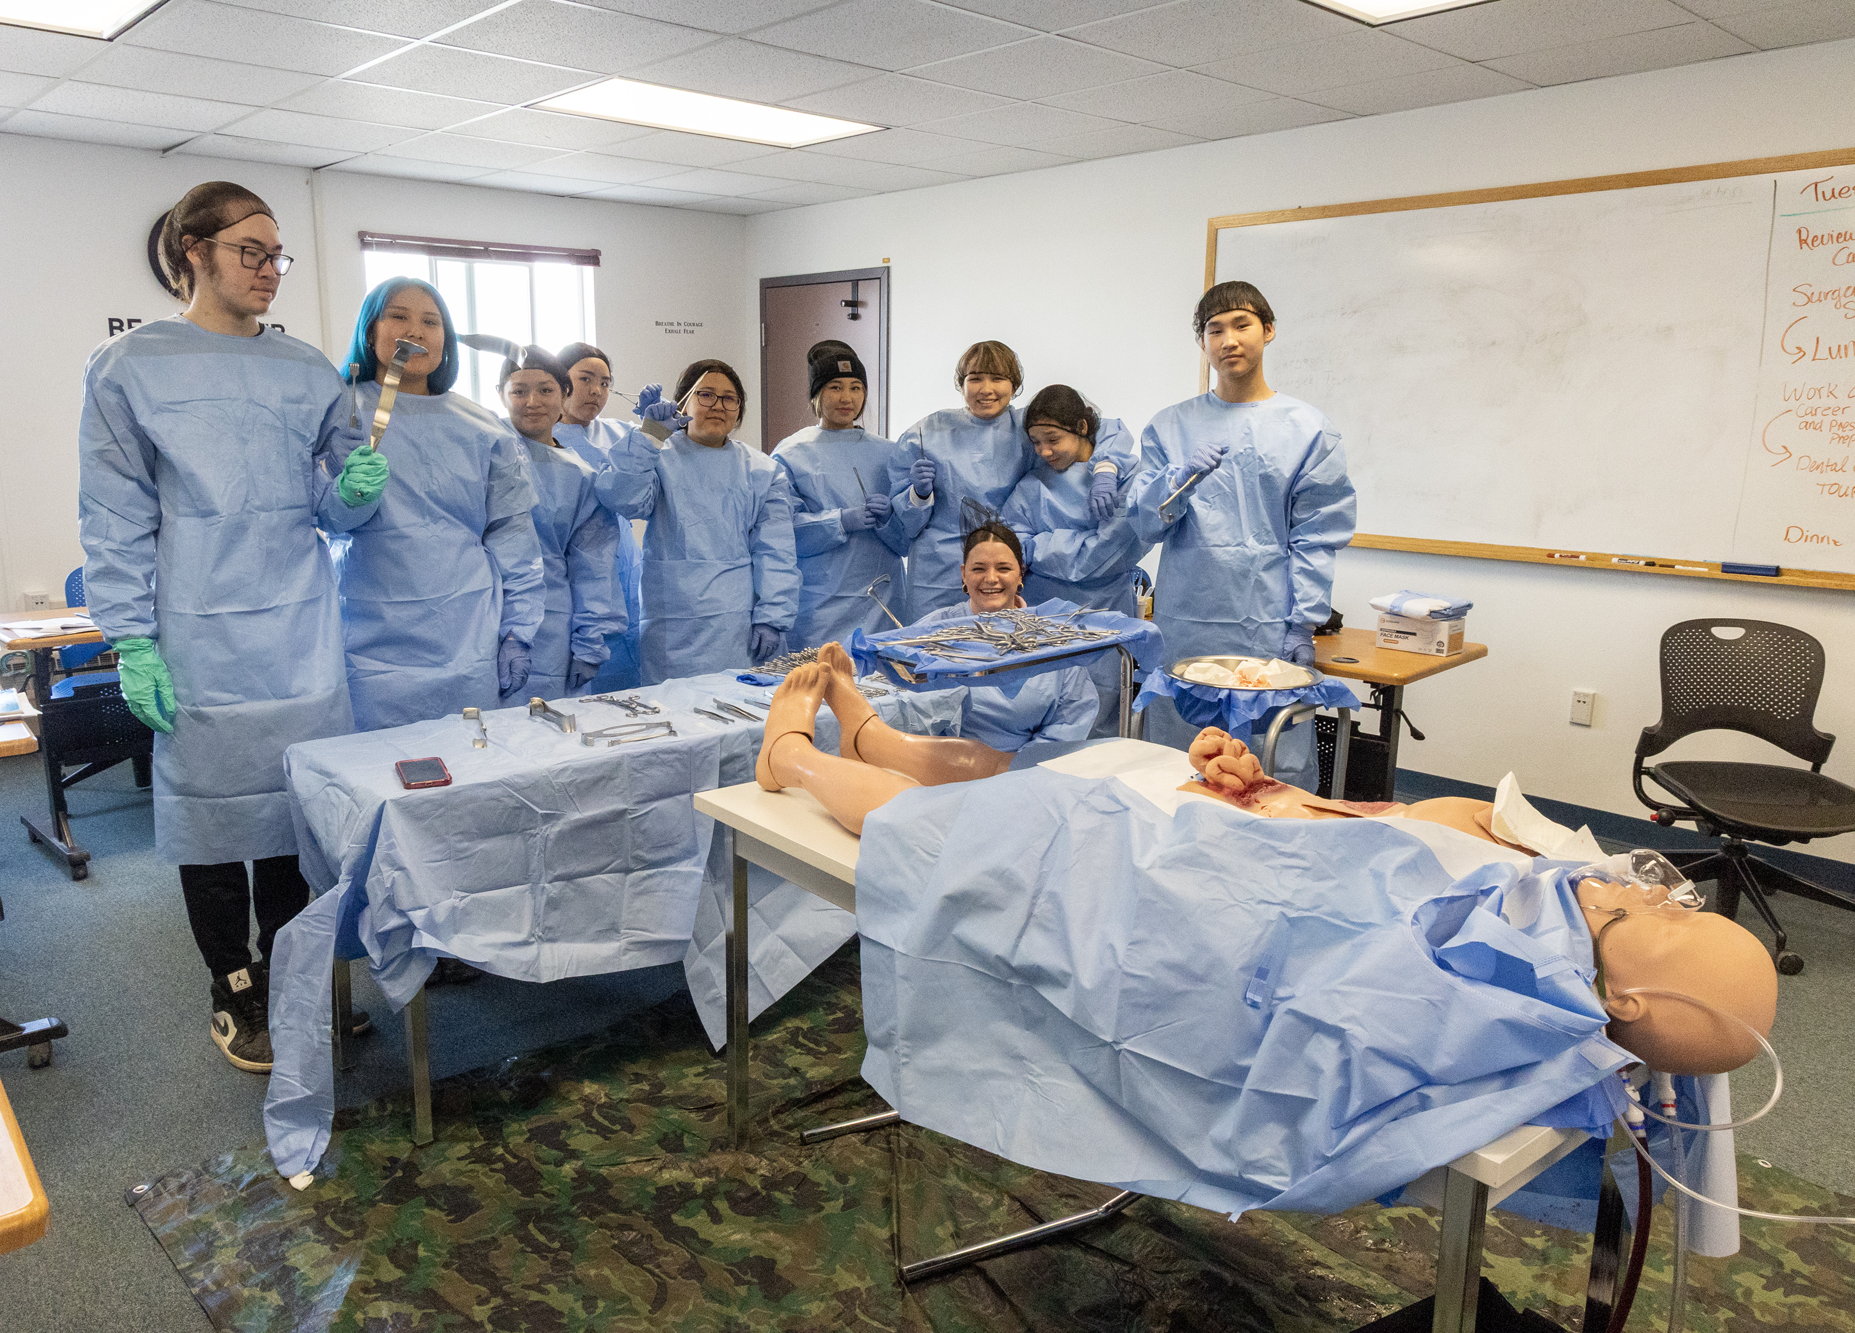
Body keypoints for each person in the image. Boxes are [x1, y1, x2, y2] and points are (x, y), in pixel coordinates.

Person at [754, 665, 1779, 1081]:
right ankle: (877, 732)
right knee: (1030, 769)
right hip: (1200, 823)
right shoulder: (1541, 879)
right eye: (1680, 896)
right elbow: (1379, 830)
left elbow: (1278, 928)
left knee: (948, 821)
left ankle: (791, 758)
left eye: (1671, 918)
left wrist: (1237, 823)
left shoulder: (1474, 974)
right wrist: (1262, 788)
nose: (1656, 888)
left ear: (1625, 997)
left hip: (1145, 871)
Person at [80, 181, 388, 1073]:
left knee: (293, 813)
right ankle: (234, 986)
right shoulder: (129, 367)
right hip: (196, 627)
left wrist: (354, 495)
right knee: (213, 820)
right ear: (194, 253)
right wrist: (131, 638)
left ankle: (293, 977)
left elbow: (335, 505)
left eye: (276, 254)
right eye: (251, 251)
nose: (270, 270)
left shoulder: (305, 369)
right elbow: (114, 512)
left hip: (297, 627)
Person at [1129, 281, 1357, 779]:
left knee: (1270, 759)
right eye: (1215, 330)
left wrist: (1303, 622)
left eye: (1241, 325)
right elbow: (1144, 523)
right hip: (1188, 618)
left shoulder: (1307, 429)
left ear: (1268, 331)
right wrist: (1177, 480)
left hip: (1268, 621)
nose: (1228, 340)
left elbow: (1317, 535)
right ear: (1203, 342)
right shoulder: (1170, 427)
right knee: (1181, 756)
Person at [330, 278, 543, 732]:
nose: (416, 331)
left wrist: (517, 631)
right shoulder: (340, 412)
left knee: (472, 758)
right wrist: (346, 497)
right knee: (378, 762)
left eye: (431, 321)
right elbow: (323, 515)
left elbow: (513, 536)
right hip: (370, 639)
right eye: (398, 316)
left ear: (446, 339)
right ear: (370, 330)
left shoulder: (482, 428)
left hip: (466, 633)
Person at [889, 341, 1136, 622]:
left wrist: (1105, 466)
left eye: (998, 379)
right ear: (961, 384)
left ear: (1015, 385)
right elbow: (904, 527)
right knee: (935, 640)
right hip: (939, 573)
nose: (986, 389)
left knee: (1001, 643)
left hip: (1007, 570)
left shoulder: (1028, 425)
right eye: (975, 379)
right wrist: (918, 495)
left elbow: (1103, 427)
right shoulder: (926, 433)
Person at [596, 358, 800, 682]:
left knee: (737, 706)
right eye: (706, 395)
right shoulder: (660, 457)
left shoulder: (763, 471)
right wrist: (649, 437)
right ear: (683, 403)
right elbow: (623, 498)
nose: (718, 405)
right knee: (673, 709)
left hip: (736, 623)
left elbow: (776, 550)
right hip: (672, 623)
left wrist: (773, 615)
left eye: (729, 398)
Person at [1001, 384, 1150, 735]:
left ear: (1082, 427)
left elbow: (1105, 554)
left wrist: (1038, 546)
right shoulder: (1031, 485)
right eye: (1036, 442)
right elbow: (1011, 545)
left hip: (1104, 615)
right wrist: (1066, 544)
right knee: (1043, 712)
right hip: (1042, 621)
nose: (1045, 451)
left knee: (1100, 718)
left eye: (1053, 439)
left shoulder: (1122, 478)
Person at [904, 519, 1097, 755]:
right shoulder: (932, 631)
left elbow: (1074, 714)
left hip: (1030, 766)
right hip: (941, 762)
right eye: (978, 569)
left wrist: (1014, 766)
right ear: (963, 574)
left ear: (1020, 573)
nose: (991, 578)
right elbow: (903, 704)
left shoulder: (1054, 638)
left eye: (1003, 568)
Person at [500, 343, 625, 699]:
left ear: (563, 394)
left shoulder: (580, 476)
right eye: (519, 391)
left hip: (552, 621)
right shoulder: (484, 454)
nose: (533, 402)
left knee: (550, 720)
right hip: (481, 613)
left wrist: (589, 641)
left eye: (545, 390)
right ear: (501, 395)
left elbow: (594, 567)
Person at [771, 340, 912, 646]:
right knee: (822, 671)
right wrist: (840, 521)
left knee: (882, 673)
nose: (846, 398)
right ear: (816, 395)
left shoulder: (890, 453)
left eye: (856, 387)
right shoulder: (791, 454)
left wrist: (891, 518)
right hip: (821, 602)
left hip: (883, 599)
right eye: (835, 387)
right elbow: (780, 532)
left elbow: (908, 539)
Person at [553, 341, 644, 693]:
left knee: (627, 671)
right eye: (585, 379)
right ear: (560, 380)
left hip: (624, 561)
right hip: (569, 568)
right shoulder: (540, 437)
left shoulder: (621, 433)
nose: (596, 391)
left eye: (605, 383)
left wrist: (656, 429)